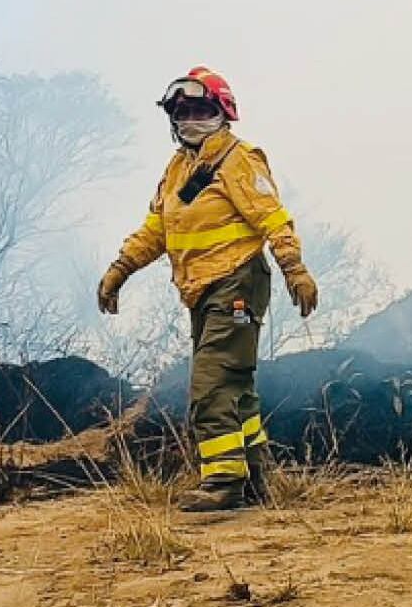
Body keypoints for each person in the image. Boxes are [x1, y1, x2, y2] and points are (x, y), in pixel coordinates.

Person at [96, 66, 319, 513]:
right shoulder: (179, 169)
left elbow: (272, 217)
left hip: (237, 282)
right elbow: (156, 228)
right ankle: (255, 476)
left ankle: (222, 480)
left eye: (200, 109)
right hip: (202, 290)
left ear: (222, 112)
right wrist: (120, 268)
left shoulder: (238, 159)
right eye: (181, 112)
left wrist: (295, 269)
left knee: (211, 381)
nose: (189, 119)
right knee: (236, 385)